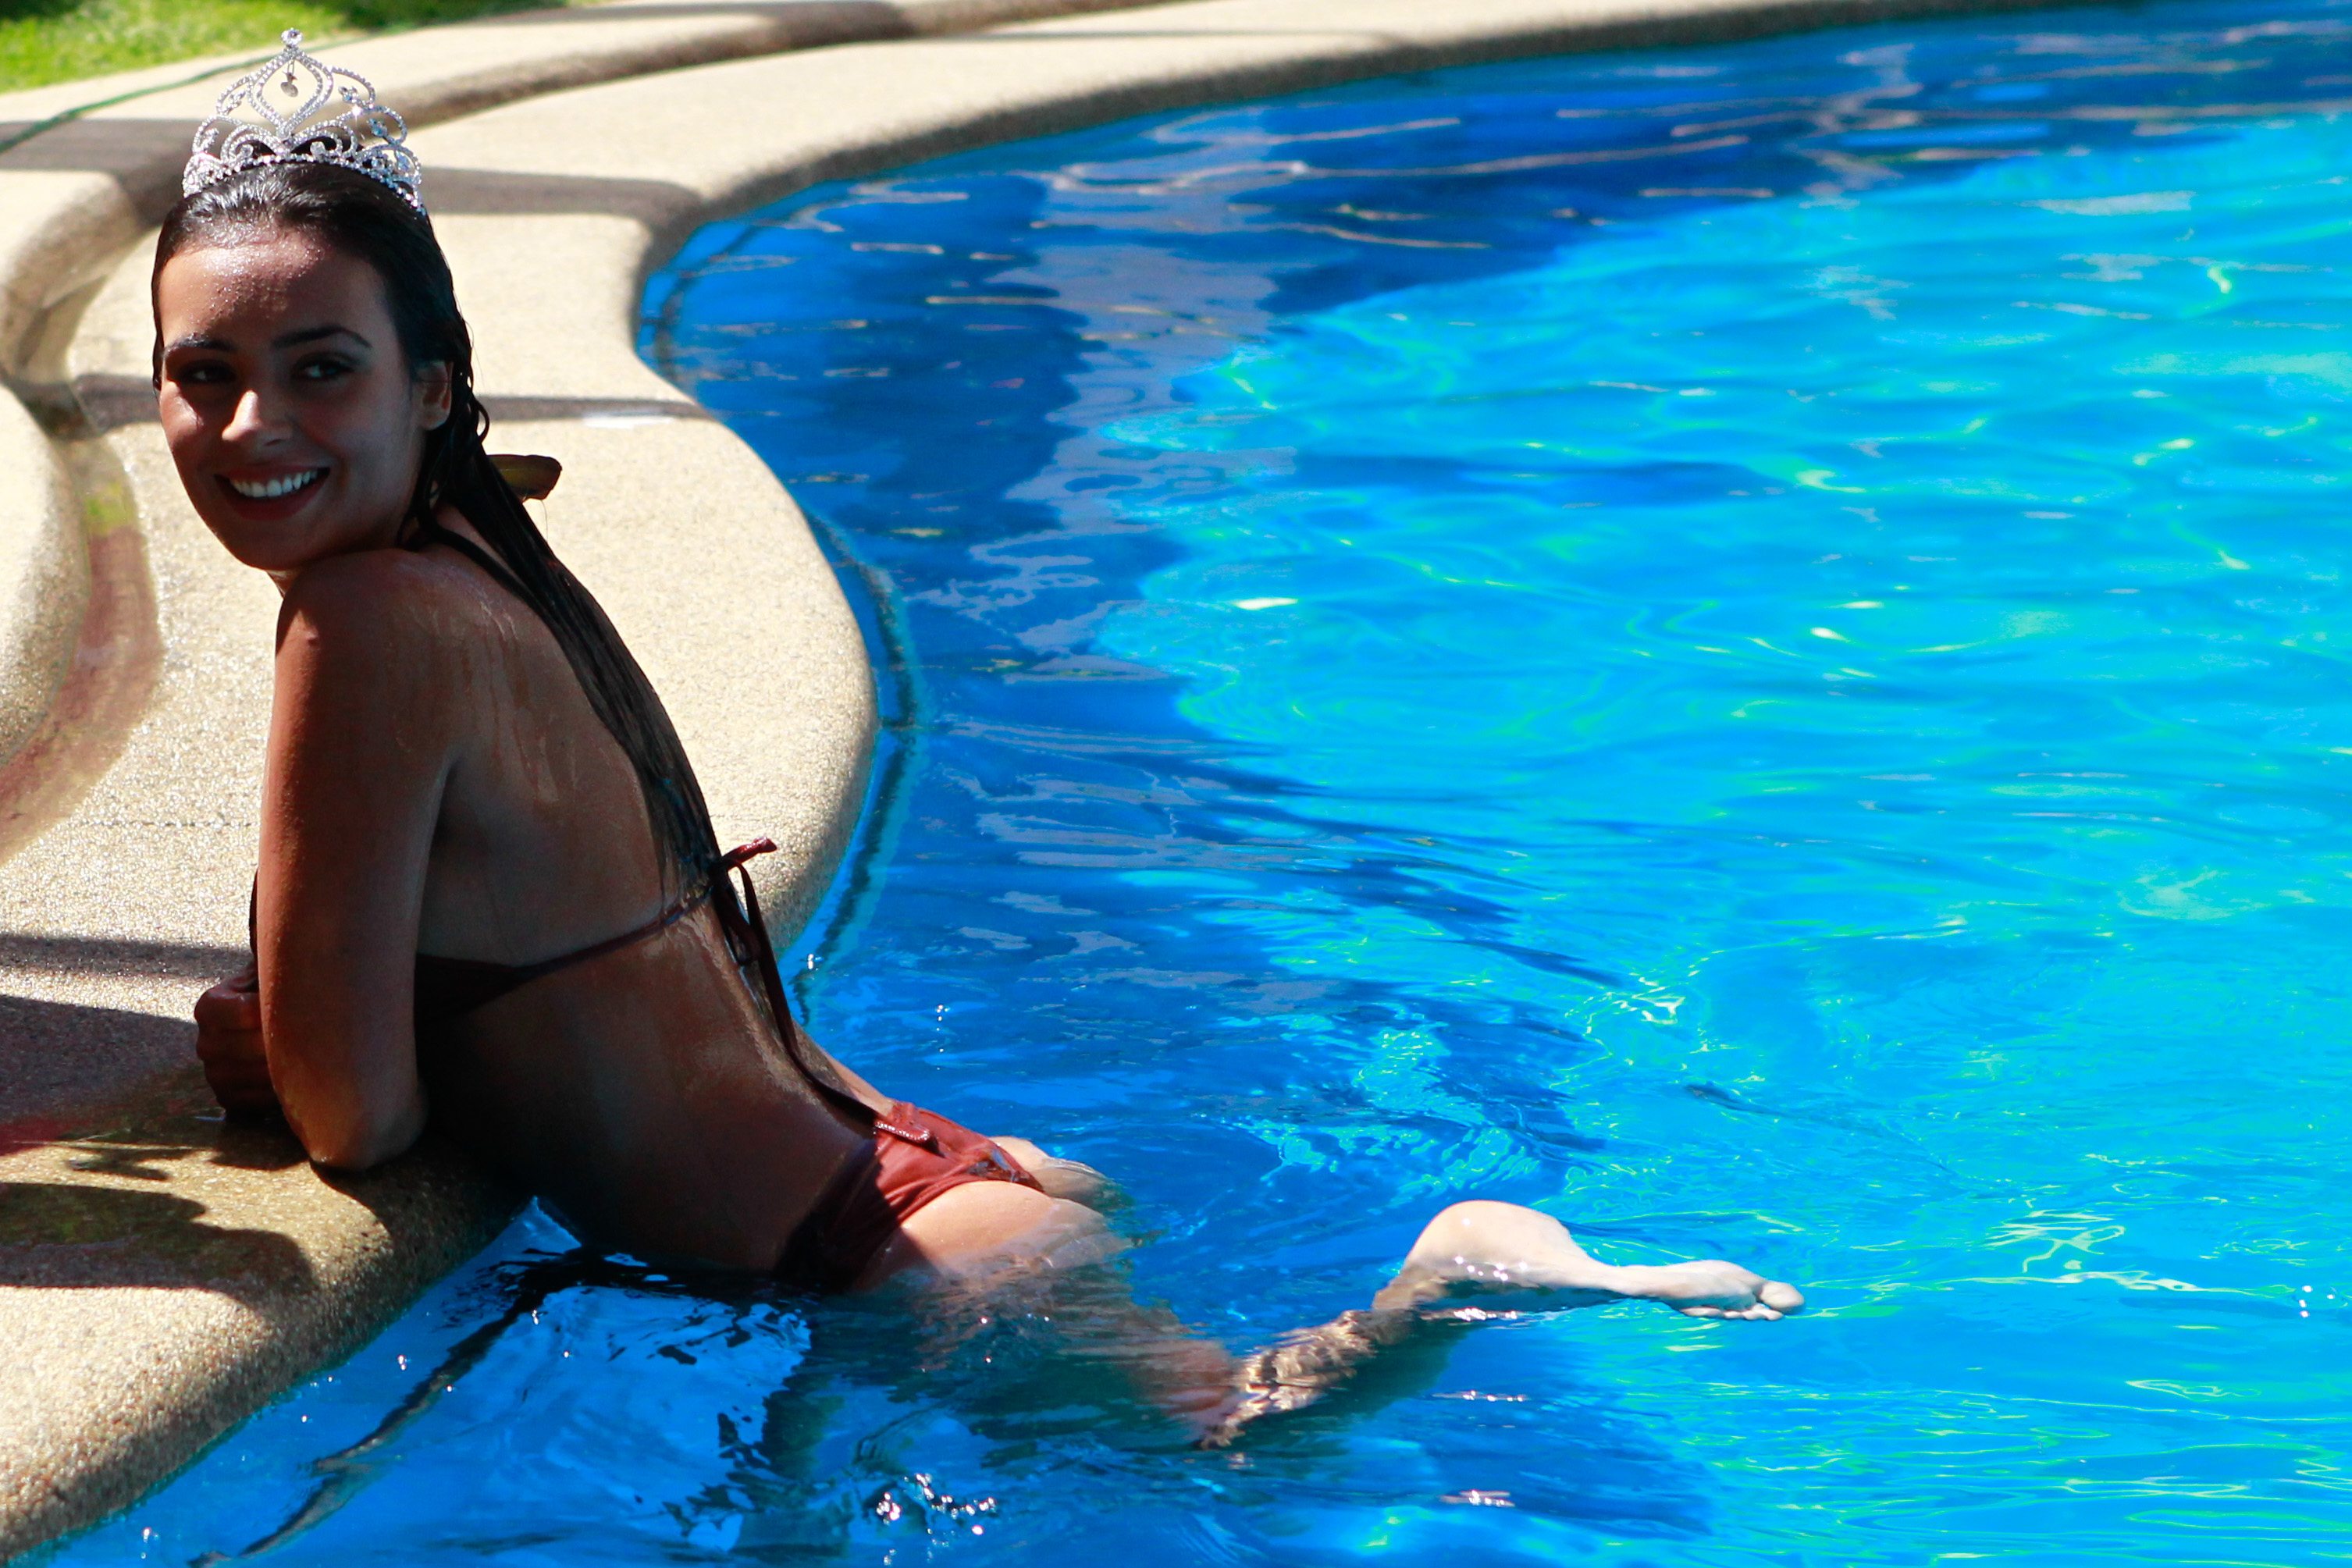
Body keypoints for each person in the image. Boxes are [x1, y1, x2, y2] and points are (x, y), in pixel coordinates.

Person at [171, 33, 1799, 1447]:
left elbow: (357, 1119)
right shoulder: (476, 553)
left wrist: (300, 1039)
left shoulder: (361, 620)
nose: (254, 425)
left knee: (1244, 1438)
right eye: (204, 373)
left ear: (432, 386)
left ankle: (1458, 1276)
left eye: (322, 369)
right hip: (919, 1179)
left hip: (885, 1242)